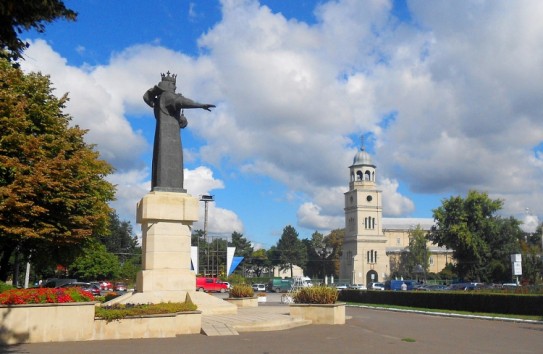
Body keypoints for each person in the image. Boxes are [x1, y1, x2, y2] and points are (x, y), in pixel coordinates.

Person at [143, 72, 215, 192]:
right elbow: (181, 101)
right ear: (167, 86)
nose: (175, 87)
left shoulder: (159, 99)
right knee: (172, 161)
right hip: (170, 137)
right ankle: (171, 187)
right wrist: (200, 105)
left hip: (164, 135)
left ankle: (163, 186)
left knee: (160, 160)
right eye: (173, 85)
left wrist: (180, 119)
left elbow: (150, 98)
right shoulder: (167, 96)